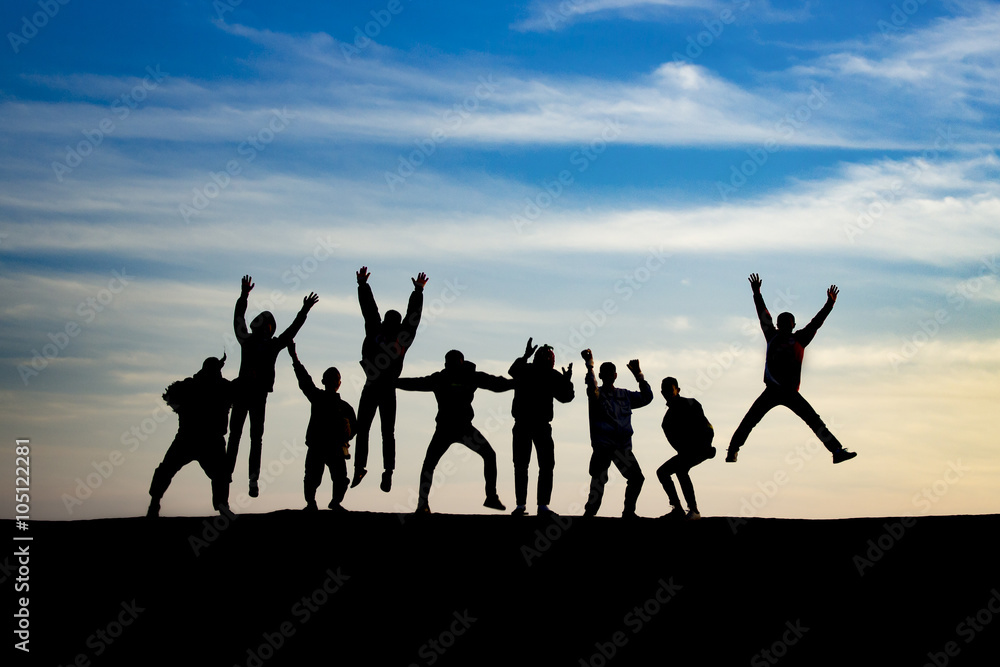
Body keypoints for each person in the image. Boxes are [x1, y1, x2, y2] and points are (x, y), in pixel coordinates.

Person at [727, 273, 856, 464]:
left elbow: (816, 322)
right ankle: (732, 451)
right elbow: (763, 314)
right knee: (750, 421)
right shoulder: (774, 335)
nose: (784, 325)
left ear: (792, 325)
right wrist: (756, 293)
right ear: (780, 325)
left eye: (787, 323)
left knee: (814, 421)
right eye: (782, 323)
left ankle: (837, 451)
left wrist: (830, 304)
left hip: (788, 393)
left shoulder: (799, 338)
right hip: (773, 391)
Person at [227, 275, 319, 498]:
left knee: (247, 437)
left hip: (255, 394)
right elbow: (239, 317)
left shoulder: (265, 344)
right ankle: (232, 476)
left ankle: (248, 479)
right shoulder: (256, 342)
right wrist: (244, 296)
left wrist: (304, 310)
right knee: (241, 436)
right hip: (249, 393)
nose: (262, 324)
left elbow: (291, 330)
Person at [396, 350, 514, 514]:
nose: (447, 365)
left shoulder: (467, 376)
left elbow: (496, 384)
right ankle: (422, 504)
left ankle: (491, 497)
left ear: (460, 361)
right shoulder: (442, 378)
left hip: (462, 427)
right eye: (446, 362)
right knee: (429, 464)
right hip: (447, 428)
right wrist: (393, 382)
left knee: (488, 455)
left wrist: (516, 383)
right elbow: (416, 383)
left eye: (450, 362)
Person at [353, 266, 428, 493]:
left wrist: (363, 285)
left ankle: (374, 469)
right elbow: (410, 318)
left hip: (378, 386)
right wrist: (417, 291)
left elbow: (371, 311)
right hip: (382, 387)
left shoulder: (386, 333)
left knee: (373, 429)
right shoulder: (398, 336)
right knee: (383, 431)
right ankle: (380, 470)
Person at [147, 354, 234, 518]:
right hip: (193, 438)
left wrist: (180, 409)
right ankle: (155, 501)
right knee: (168, 469)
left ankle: (222, 506)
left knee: (220, 474)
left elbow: (170, 395)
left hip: (201, 439)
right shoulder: (215, 386)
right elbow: (170, 395)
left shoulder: (212, 386)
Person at [580, 349, 653, 518]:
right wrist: (589, 365)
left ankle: (628, 512)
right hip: (603, 447)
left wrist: (639, 375)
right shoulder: (597, 396)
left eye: (609, 373)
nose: (607, 376)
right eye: (604, 373)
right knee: (599, 481)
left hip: (622, 447)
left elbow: (647, 397)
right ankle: (590, 514)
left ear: (615, 376)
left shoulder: (624, 395)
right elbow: (592, 387)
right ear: (602, 375)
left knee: (636, 478)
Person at [508, 338, 574, 516]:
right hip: (539, 426)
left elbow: (512, 370)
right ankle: (541, 506)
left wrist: (525, 356)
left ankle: (522, 505)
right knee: (544, 465)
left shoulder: (526, 370)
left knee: (522, 465)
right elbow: (566, 397)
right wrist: (567, 381)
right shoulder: (551, 375)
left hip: (524, 424)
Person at [288, 342, 357, 512]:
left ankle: (332, 502)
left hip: (334, 448)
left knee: (339, 478)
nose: (334, 381)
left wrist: (345, 439)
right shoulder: (319, 398)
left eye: (336, 379)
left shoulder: (343, 406)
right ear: (327, 381)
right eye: (332, 378)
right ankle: (312, 503)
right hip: (319, 446)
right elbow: (304, 380)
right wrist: (294, 358)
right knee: (313, 477)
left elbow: (354, 428)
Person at [657, 377, 716, 520]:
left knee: (675, 471)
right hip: (688, 452)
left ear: (677, 390)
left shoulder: (691, 404)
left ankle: (690, 510)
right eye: (664, 391)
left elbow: (708, 428)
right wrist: (685, 452)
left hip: (700, 448)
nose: (667, 393)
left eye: (670, 390)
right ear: (661, 393)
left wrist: (706, 446)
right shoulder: (667, 421)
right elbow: (676, 443)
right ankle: (680, 509)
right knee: (667, 471)